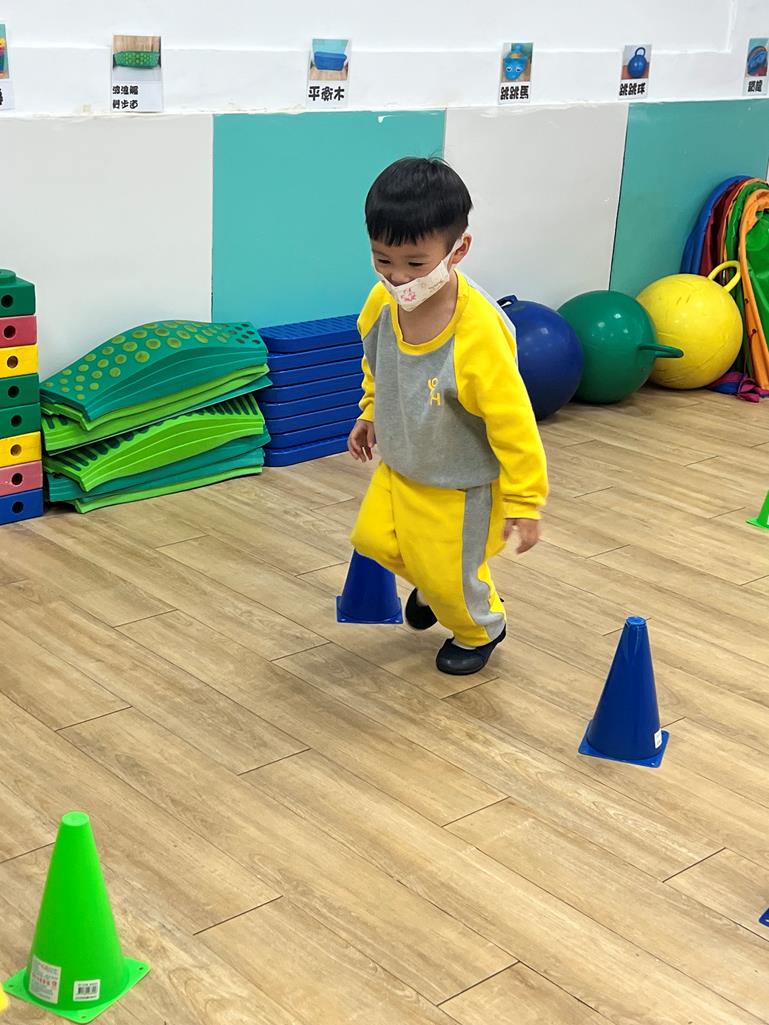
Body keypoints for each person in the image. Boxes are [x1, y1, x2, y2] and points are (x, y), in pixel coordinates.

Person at [347, 157, 548, 675]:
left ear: (458, 250)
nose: (398, 277)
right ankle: (433, 588)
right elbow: (377, 363)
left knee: (453, 579)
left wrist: (526, 500)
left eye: (415, 264)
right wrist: (370, 412)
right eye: (382, 259)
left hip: (459, 485)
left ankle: (482, 629)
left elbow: (513, 422)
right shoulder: (381, 303)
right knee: (372, 540)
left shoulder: (478, 333)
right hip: (403, 465)